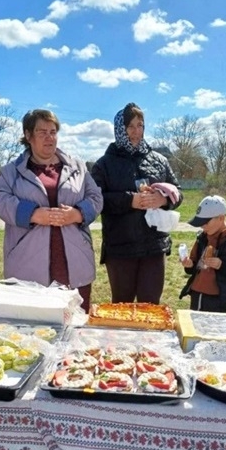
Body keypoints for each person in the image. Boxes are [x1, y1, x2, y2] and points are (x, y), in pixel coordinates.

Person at [0, 109, 103, 311]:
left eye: (53, 132)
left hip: (74, 265)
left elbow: (96, 197)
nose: (49, 137)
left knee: (76, 324)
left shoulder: (78, 167)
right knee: (34, 330)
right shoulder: (11, 171)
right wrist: (32, 214)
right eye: (42, 132)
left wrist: (77, 214)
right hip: (28, 265)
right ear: (28, 135)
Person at [90, 102, 183, 304]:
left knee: (150, 306)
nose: (136, 131)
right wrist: (129, 200)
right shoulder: (104, 164)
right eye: (130, 126)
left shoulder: (159, 160)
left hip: (154, 247)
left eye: (140, 125)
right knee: (121, 308)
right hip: (120, 248)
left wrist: (163, 199)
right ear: (120, 129)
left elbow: (178, 192)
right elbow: (95, 200)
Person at [180, 195, 226, 313]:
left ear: (221, 218)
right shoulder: (202, 237)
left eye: (206, 222)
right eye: (200, 222)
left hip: (220, 298)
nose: (202, 226)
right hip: (197, 293)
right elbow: (194, 265)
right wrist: (189, 264)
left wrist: (222, 265)